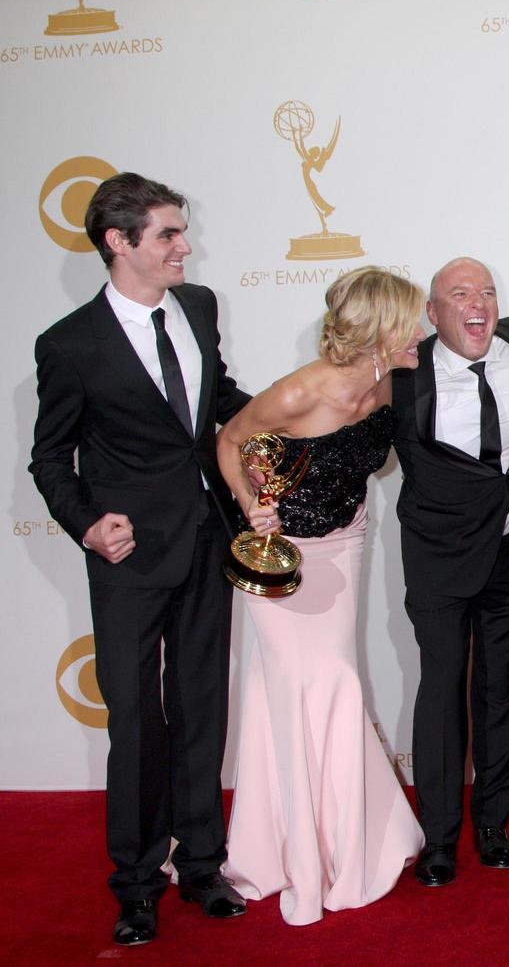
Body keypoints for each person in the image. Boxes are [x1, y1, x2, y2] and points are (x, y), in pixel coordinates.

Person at [30, 173, 251, 946]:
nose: (184, 246)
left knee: (201, 711)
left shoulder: (198, 308)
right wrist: (89, 525)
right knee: (136, 720)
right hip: (127, 557)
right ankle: (134, 882)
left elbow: (218, 400)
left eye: (181, 231)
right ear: (118, 243)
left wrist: (297, 420)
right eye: (166, 234)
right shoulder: (69, 344)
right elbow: (50, 459)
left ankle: (202, 866)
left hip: (206, 539)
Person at [217, 266, 425, 925]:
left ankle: (336, 836)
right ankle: (303, 856)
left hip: (348, 540)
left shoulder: (387, 377)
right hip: (288, 557)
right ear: (379, 331)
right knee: (318, 681)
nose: (420, 331)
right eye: (409, 321)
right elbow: (230, 441)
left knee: (327, 680)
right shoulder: (300, 392)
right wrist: (254, 505)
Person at [393, 258, 509, 887]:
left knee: (502, 692)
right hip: (436, 557)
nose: (476, 303)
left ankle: (492, 824)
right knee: (440, 692)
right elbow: (341, 423)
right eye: (459, 294)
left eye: (486, 290)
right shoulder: (402, 375)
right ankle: (438, 837)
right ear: (433, 314)